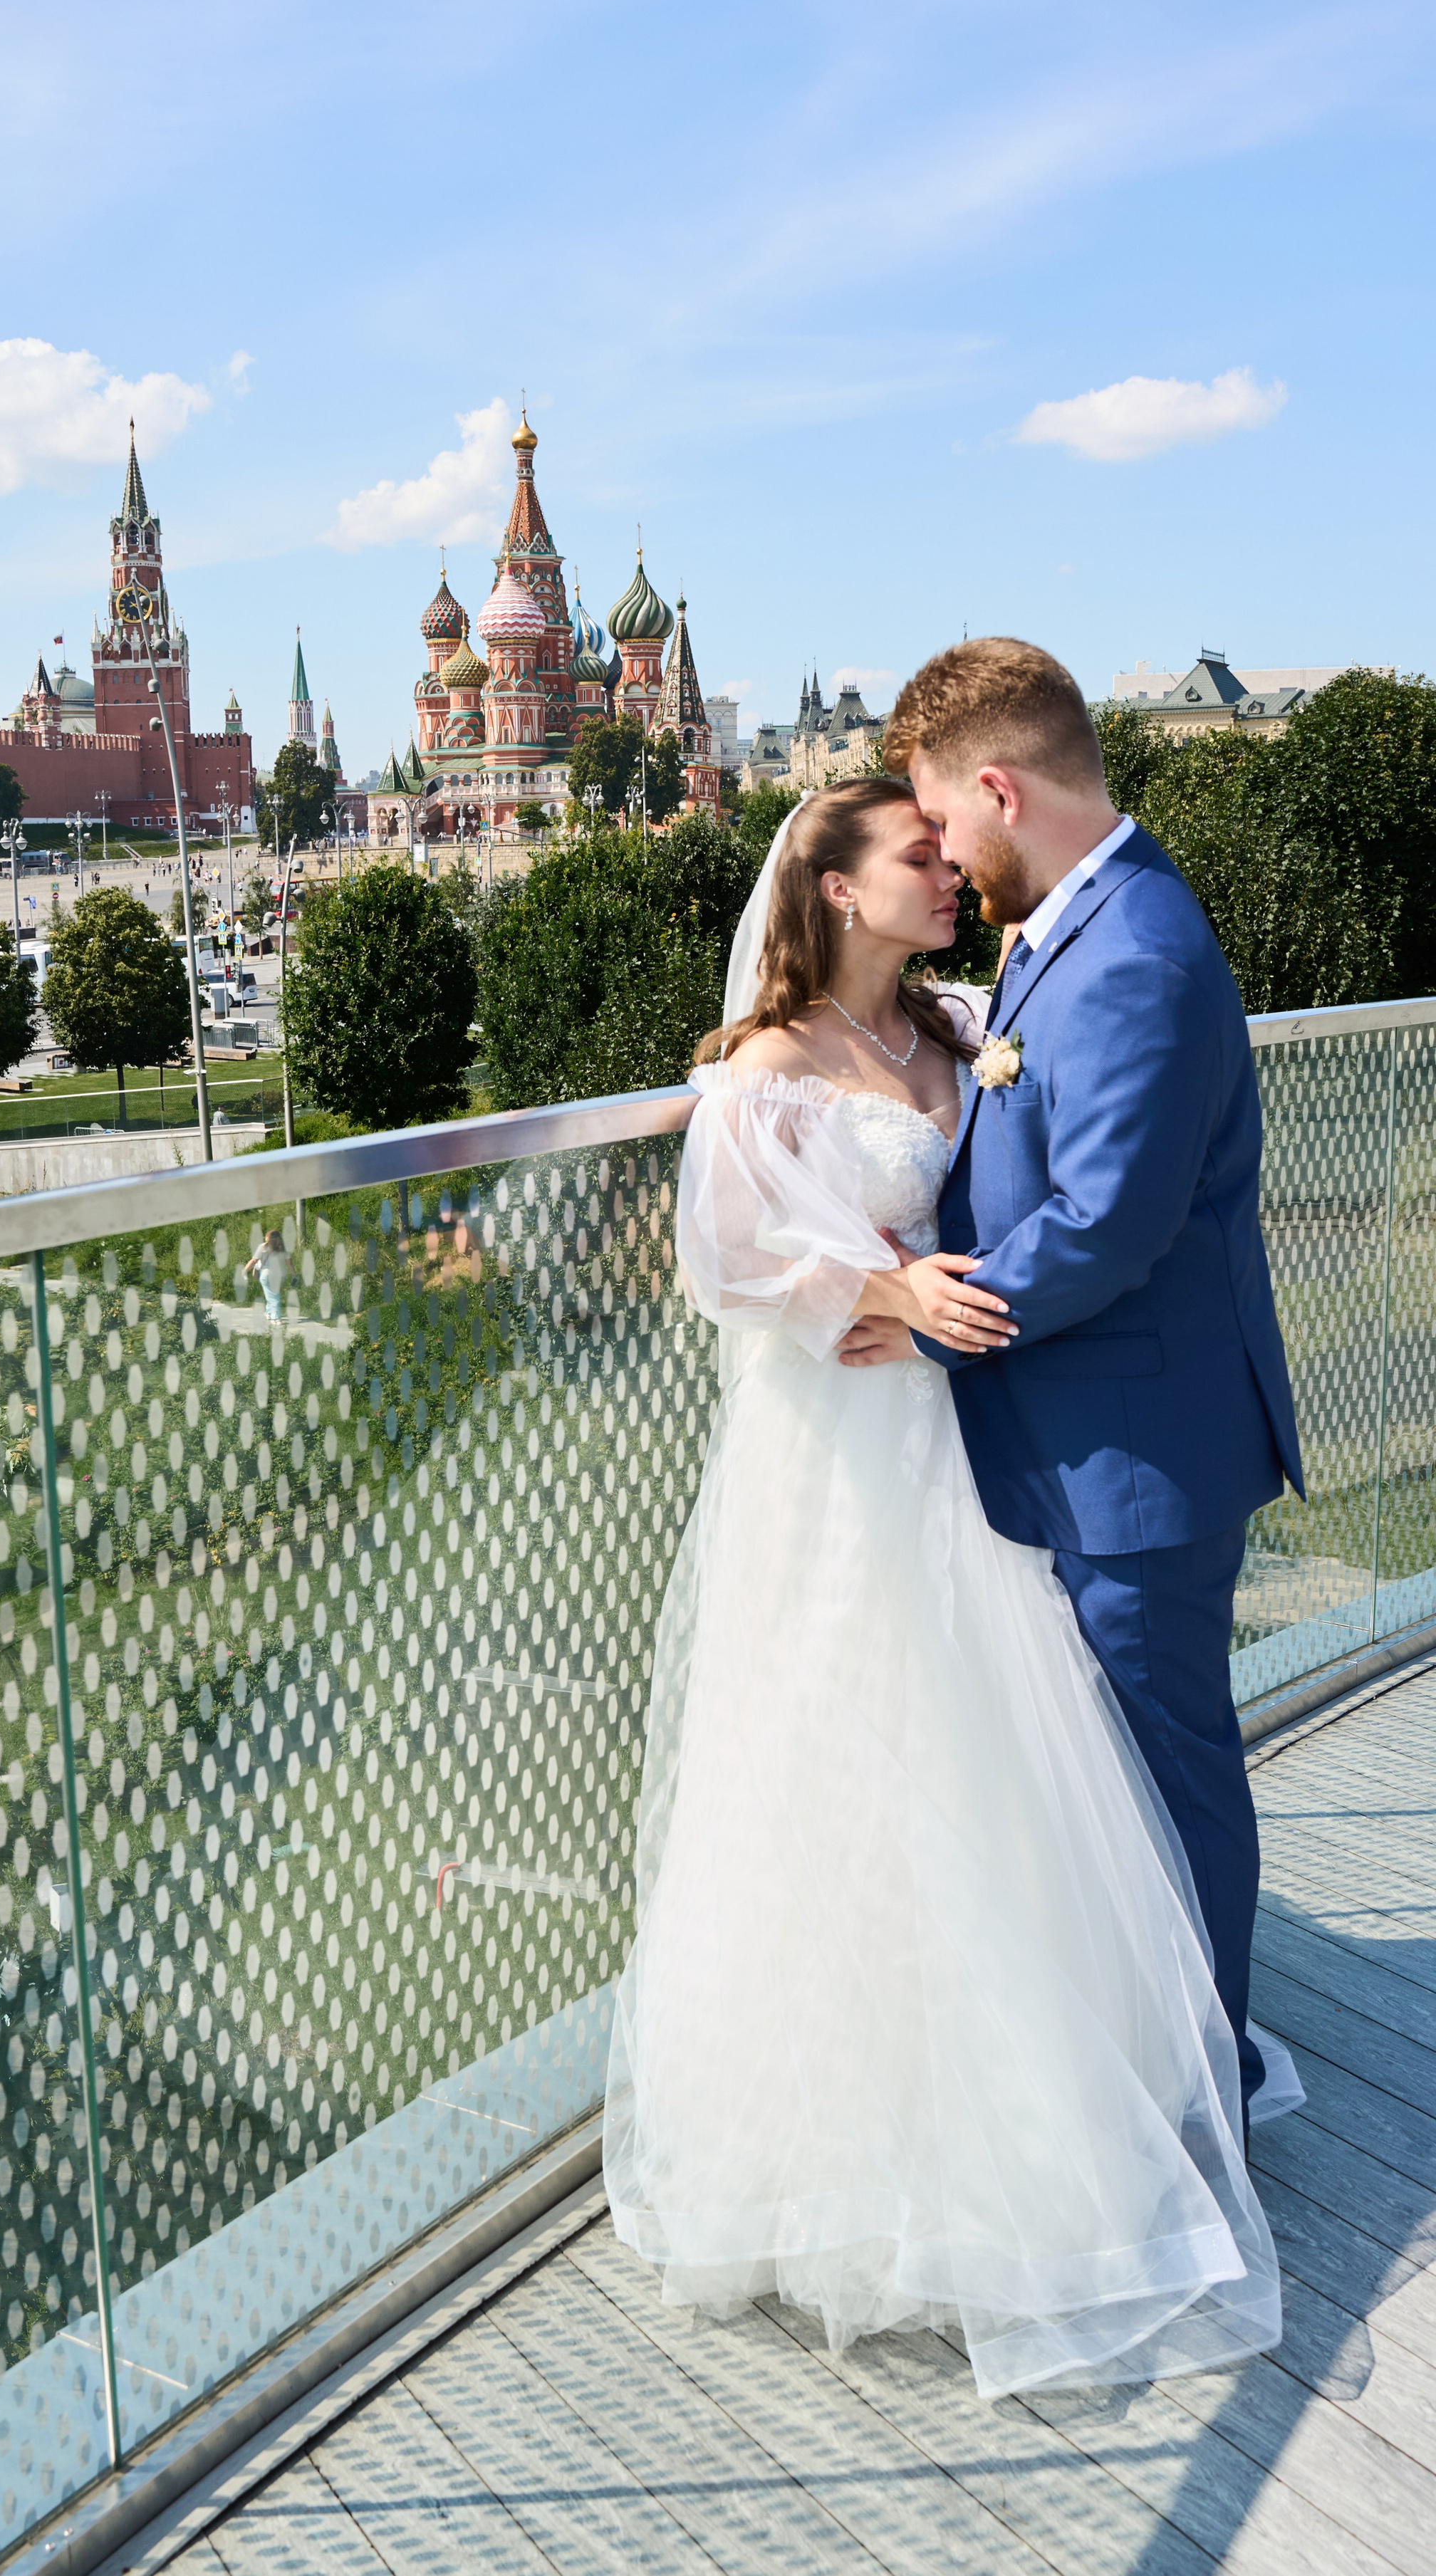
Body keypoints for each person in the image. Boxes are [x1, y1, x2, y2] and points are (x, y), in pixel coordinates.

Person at [603, 768, 1290, 2399]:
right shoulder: (760, 1073)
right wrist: (873, 1281)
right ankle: (848, 2152)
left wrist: (920, 1294)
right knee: (839, 1760)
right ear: (833, 888)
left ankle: (1060, 2091)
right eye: (914, 855)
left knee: (1001, 1765)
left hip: (967, 1441)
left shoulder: (959, 1025)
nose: (945, 870)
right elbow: (725, 1262)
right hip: (839, 1457)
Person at [855, 638, 1302, 2124]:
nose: (941, 853)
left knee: (1167, 1780)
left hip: (1136, 1456)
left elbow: (1103, 1224)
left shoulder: (1134, 949)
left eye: (944, 822)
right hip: (1099, 1436)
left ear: (998, 785)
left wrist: (917, 1315)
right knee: (1120, 1783)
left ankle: (1207, 2087)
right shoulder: (1075, 922)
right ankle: (1164, 2055)